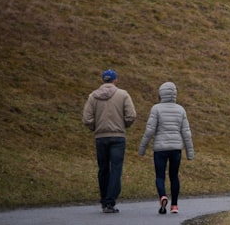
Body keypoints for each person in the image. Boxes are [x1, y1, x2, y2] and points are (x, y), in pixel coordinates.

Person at [82, 69, 136, 213]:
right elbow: (131, 115)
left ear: (103, 80)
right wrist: (123, 126)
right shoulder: (123, 95)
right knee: (116, 169)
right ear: (115, 80)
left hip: (100, 137)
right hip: (118, 137)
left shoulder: (93, 96)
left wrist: (96, 127)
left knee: (103, 169)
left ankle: (103, 199)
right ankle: (110, 202)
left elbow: (87, 119)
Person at [138, 81, 194, 214]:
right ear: (174, 94)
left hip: (160, 149)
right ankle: (174, 205)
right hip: (176, 148)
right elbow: (186, 132)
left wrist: (143, 148)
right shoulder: (181, 109)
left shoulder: (156, 109)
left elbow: (150, 130)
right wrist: (190, 152)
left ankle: (162, 196)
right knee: (174, 176)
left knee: (160, 176)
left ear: (161, 93)